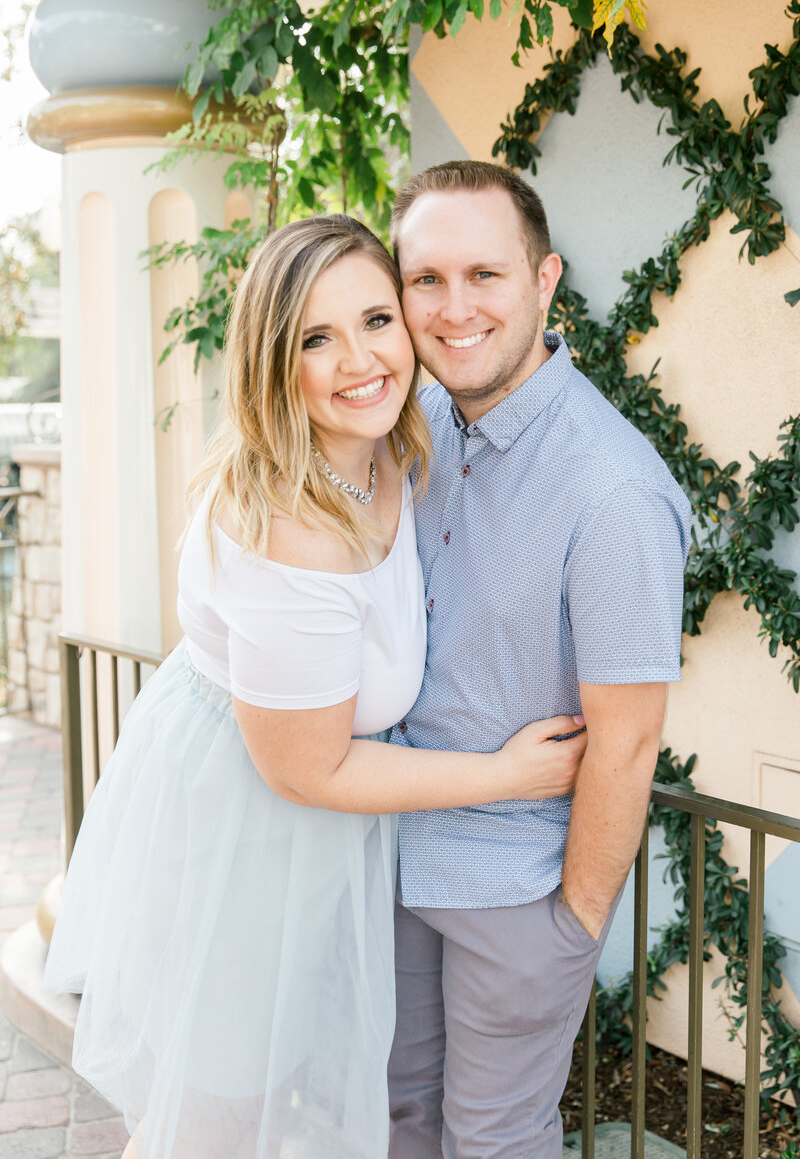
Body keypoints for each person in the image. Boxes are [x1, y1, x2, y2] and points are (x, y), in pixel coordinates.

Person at [44, 214, 587, 1159]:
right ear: (271, 359)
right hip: (242, 837)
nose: (360, 360)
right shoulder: (292, 532)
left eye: (377, 319)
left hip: (309, 836)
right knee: (217, 1124)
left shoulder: (392, 447)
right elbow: (308, 770)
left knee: (281, 1092)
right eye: (315, 338)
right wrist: (507, 775)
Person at [386, 161, 693, 1159]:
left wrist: (571, 922)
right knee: (394, 1123)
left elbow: (630, 736)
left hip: (515, 895)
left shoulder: (610, 490)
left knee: (491, 1142)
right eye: (424, 279)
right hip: (389, 864)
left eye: (485, 274)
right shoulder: (412, 429)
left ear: (544, 280)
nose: (452, 306)